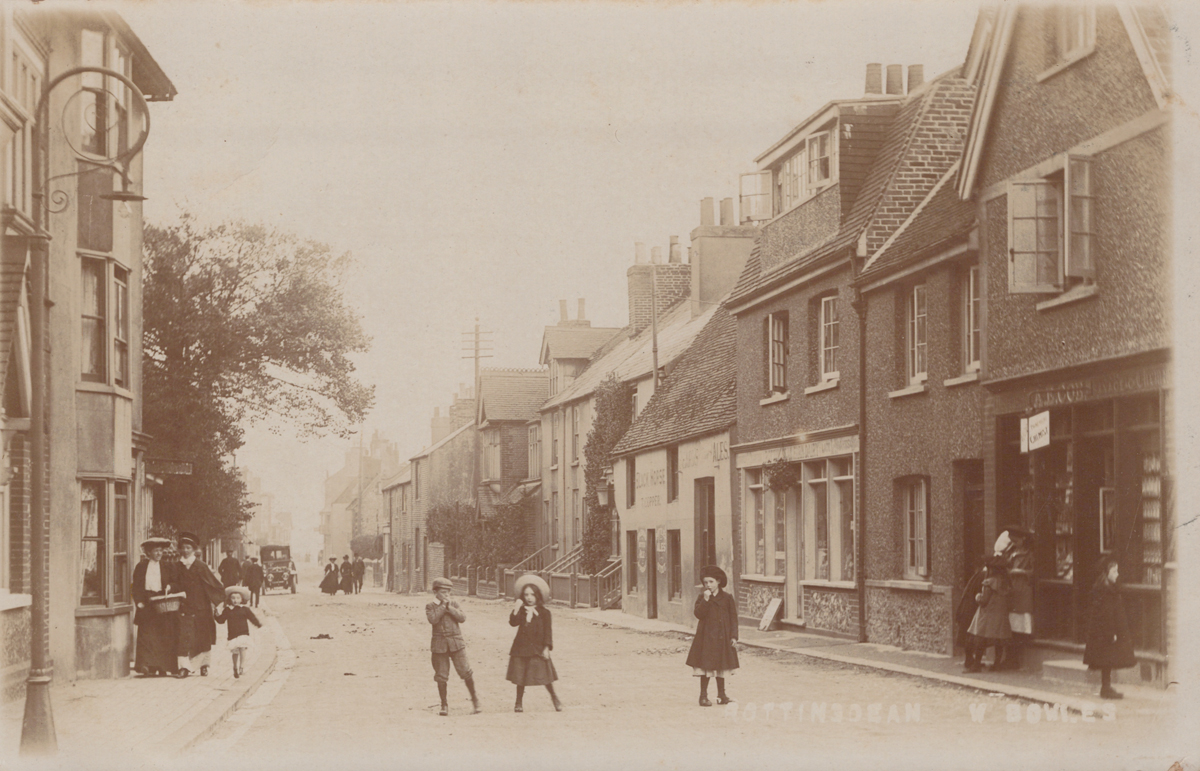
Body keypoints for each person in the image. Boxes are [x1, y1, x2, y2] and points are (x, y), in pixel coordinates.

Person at [1084, 555, 1136, 700]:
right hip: (1106, 633)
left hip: (1105, 632)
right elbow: (1106, 615)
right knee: (1106, 659)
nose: (1117, 574)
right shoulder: (1105, 590)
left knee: (1107, 659)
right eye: (1114, 572)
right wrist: (1111, 633)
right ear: (1107, 573)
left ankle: (1106, 687)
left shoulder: (1108, 588)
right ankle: (1105, 688)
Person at [685, 565, 739, 706]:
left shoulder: (727, 598)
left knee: (721, 666)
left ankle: (722, 695)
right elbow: (699, 614)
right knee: (706, 667)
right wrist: (706, 600)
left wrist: (733, 636)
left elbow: (733, 618)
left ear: (718, 582)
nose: (708, 585)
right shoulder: (702, 598)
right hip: (706, 637)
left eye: (711, 582)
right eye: (705, 582)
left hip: (723, 637)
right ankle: (703, 696)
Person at [173, 532, 225, 678]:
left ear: (194, 550)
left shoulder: (201, 566)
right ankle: (184, 667)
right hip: (184, 606)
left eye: (188, 547)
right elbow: (173, 582)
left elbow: (214, 585)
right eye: (183, 547)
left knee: (203, 636)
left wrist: (218, 603)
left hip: (202, 607)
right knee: (184, 636)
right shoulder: (178, 566)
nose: (185, 550)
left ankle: (203, 665)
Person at [426, 577, 480, 716]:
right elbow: (433, 619)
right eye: (443, 592)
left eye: (448, 592)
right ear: (435, 592)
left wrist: (449, 608)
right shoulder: (431, 606)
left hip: (456, 644)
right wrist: (443, 607)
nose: (446, 595)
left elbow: (462, 618)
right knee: (441, 676)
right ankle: (444, 705)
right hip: (439, 646)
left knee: (466, 671)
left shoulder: (454, 604)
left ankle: (475, 700)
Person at [507, 575, 560, 713]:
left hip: (538, 648)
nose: (529, 597)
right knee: (520, 677)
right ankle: (518, 702)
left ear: (538, 595)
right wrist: (516, 609)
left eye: (532, 594)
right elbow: (513, 623)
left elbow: (548, 632)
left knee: (545, 675)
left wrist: (546, 647)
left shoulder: (545, 613)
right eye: (526, 595)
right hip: (521, 648)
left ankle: (554, 698)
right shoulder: (522, 611)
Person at [131, 537, 179, 677]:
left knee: (164, 635)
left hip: (162, 604)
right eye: (155, 551)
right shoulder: (141, 566)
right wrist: (138, 602)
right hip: (146, 604)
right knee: (147, 635)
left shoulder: (167, 566)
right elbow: (136, 587)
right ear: (149, 553)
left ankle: (162, 666)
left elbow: (176, 583)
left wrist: (170, 586)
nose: (159, 553)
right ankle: (146, 666)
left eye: (160, 551)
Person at [964, 556, 1012, 673]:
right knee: (999, 639)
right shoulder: (1005, 583)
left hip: (987, 614)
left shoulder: (989, 582)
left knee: (979, 638)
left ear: (992, 569)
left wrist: (977, 597)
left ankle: (976, 664)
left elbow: (984, 601)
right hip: (1000, 615)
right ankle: (997, 664)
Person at [996, 527, 1034, 670]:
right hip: (1011, 591)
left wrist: (1023, 572)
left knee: (1018, 626)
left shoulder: (1030, 554)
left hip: (1022, 592)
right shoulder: (1010, 552)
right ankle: (1009, 658)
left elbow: (1036, 572)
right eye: (1011, 540)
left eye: (1016, 540)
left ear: (1023, 540)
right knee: (1009, 626)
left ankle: (1014, 659)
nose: (1013, 543)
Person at [216, 586, 262, 678]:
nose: (235, 600)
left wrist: (258, 624)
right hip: (233, 635)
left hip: (243, 633)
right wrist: (216, 614)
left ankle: (241, 666)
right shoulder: (228, 610)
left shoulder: (245, 609)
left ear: (242, 599)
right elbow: (221, 620)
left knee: (242, 648)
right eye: (233, 598)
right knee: (235, 652)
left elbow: (252, 618)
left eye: (238, 598)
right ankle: (235, 667)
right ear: (230, 599)